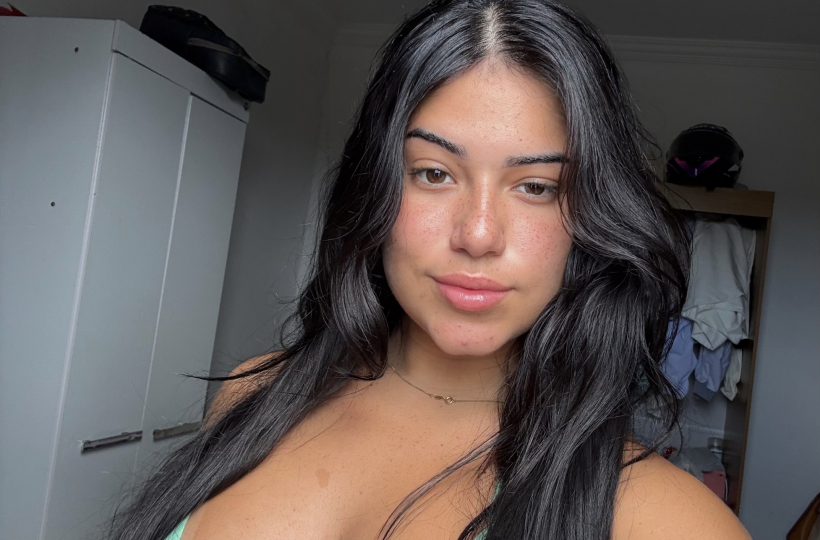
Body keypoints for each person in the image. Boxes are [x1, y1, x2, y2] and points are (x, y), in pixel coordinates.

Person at [108, 0, 751, 538]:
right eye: (434, 174)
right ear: (376, 189)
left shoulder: (668, 521)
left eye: (536, 187)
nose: (478, 234)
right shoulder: (252, 394)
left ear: (590, 217)